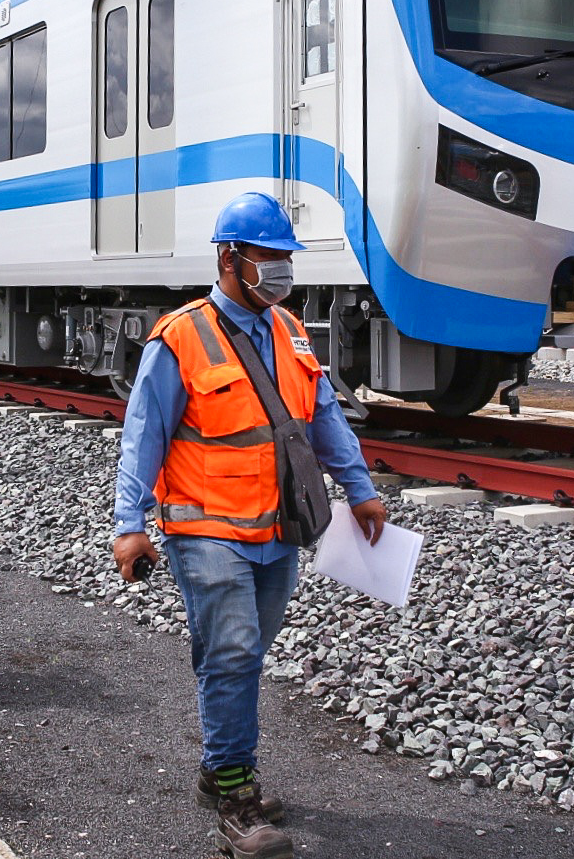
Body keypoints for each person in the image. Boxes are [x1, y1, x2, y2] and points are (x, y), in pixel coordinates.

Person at [111, 191, 388, 859]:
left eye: (285, 257)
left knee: (239, 655)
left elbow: (324, 418)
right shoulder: (180, 334)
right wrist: (129, 521)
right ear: (230, 258)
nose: (281, 268)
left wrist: (360, 488)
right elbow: (142, 433)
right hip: (204, 529)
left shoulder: (290, 330)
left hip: (276, 531)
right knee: (232, 652)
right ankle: (235, 802)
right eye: (269, 256)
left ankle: (219, 769)